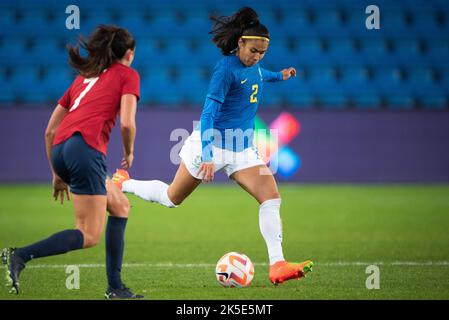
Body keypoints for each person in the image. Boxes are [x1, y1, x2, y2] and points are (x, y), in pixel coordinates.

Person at [112, 8, 313, 285]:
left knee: (271, 196)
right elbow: (207, 115)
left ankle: (277, 264)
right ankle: (124, 183)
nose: (257, 57)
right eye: (254, 50)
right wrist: (207, 155)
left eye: (262, 53)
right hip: (211, 145)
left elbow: (261, 74)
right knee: (172, 198)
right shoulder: (225, 70)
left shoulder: (253, 65)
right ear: (240, 43)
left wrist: (281, 75)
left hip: (242, 149)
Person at [1, 25, 143, 299]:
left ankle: (116, 288)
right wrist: (130, 150)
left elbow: (49, 130)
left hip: (61, 149)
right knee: (88, 234)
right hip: (86, 150)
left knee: (121, 205)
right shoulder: (128, 75)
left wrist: (56, 173)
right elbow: (127, 122)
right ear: (128, 53)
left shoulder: (84, 77)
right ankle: (20, 255)